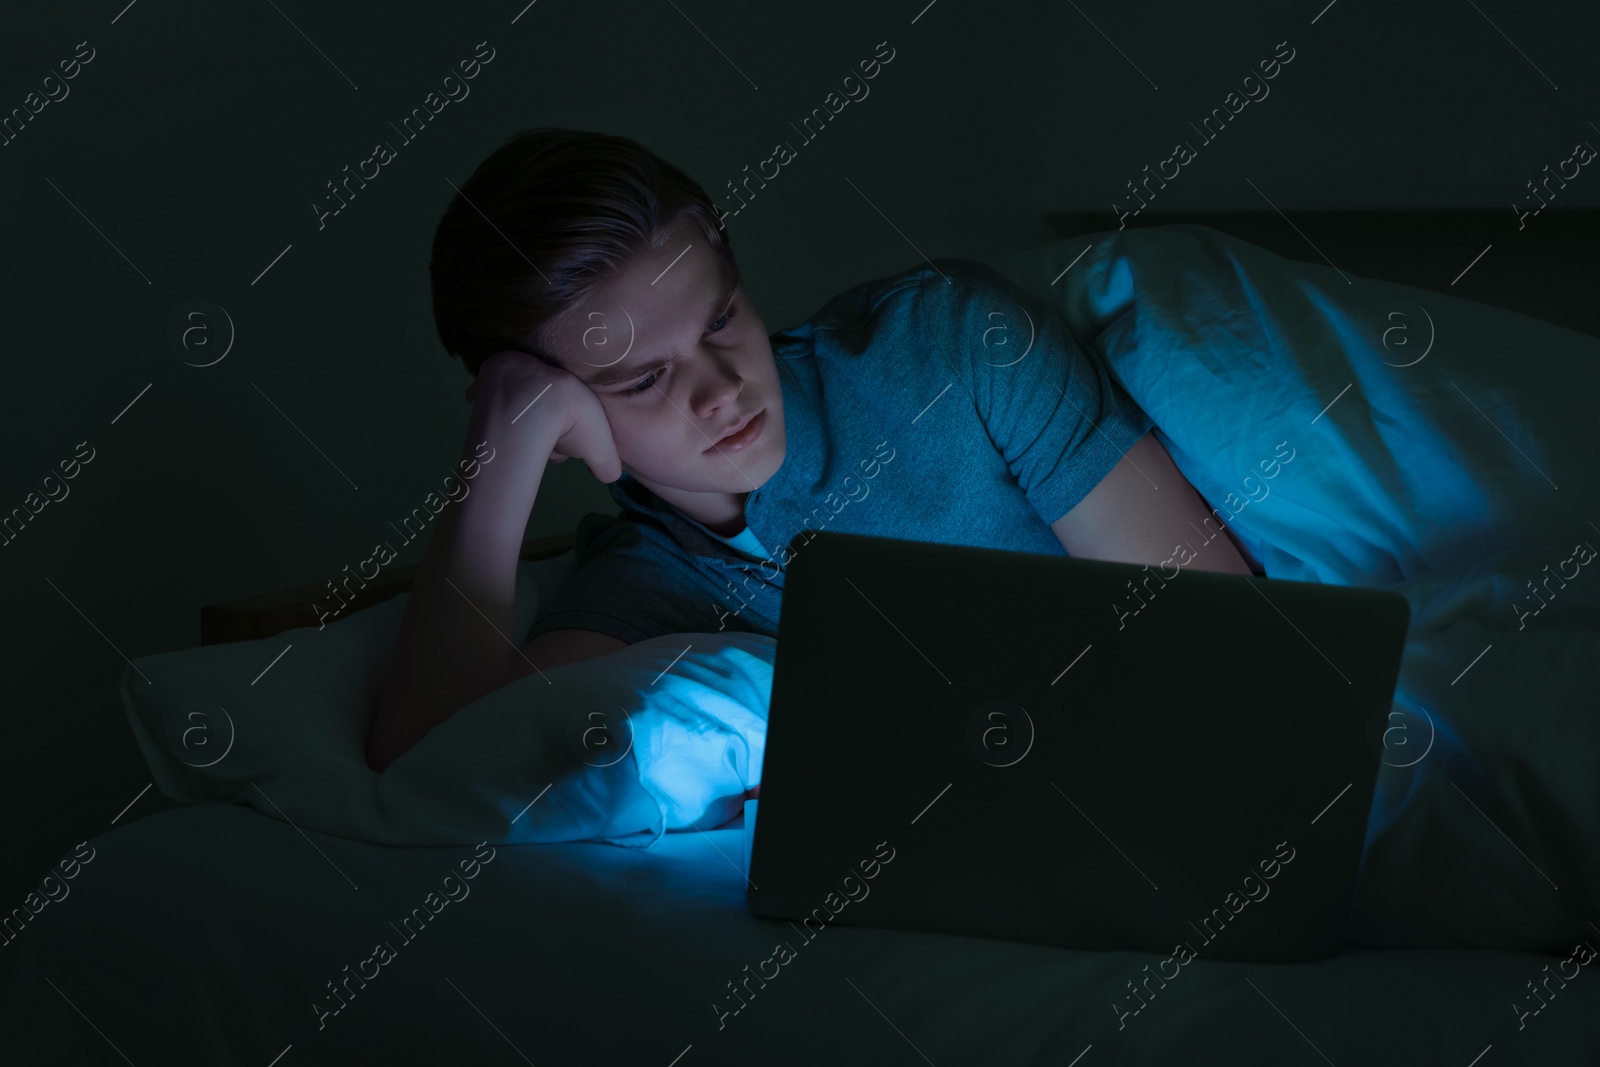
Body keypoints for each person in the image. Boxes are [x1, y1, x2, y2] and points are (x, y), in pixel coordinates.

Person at [365, 127, 1255, 774]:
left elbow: (1226, 633)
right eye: (643, 379)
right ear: (564, 426)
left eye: (722, 319)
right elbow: (428, 760)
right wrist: (500, 451)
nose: (721, 389)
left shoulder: (949, 349)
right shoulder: (644, 586)